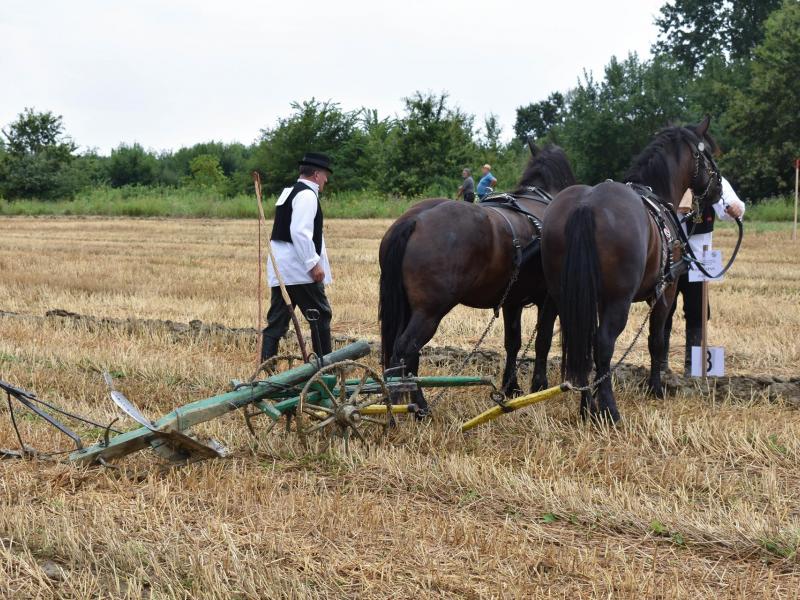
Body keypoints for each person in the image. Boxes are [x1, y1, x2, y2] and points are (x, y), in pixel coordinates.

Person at [666, 176, 745, 374]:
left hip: (700, 256)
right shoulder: (665, 174)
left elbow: (730, 205)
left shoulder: (709, 178)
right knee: (663, 311)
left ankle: (696, 368)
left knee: (698, 311)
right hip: (666, 256)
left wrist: (736, 208)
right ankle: (659, 368)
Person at [261, 152, 334, 363]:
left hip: (282, 268)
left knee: (277, 320)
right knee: (320, 316)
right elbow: (299, 231)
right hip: (300, 270)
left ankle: (267, 368)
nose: (326, 180)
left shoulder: (289, 192)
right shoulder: (307, 195)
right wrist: (313, 263)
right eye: (325, 175)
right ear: (317, 174)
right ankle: (325, 369)